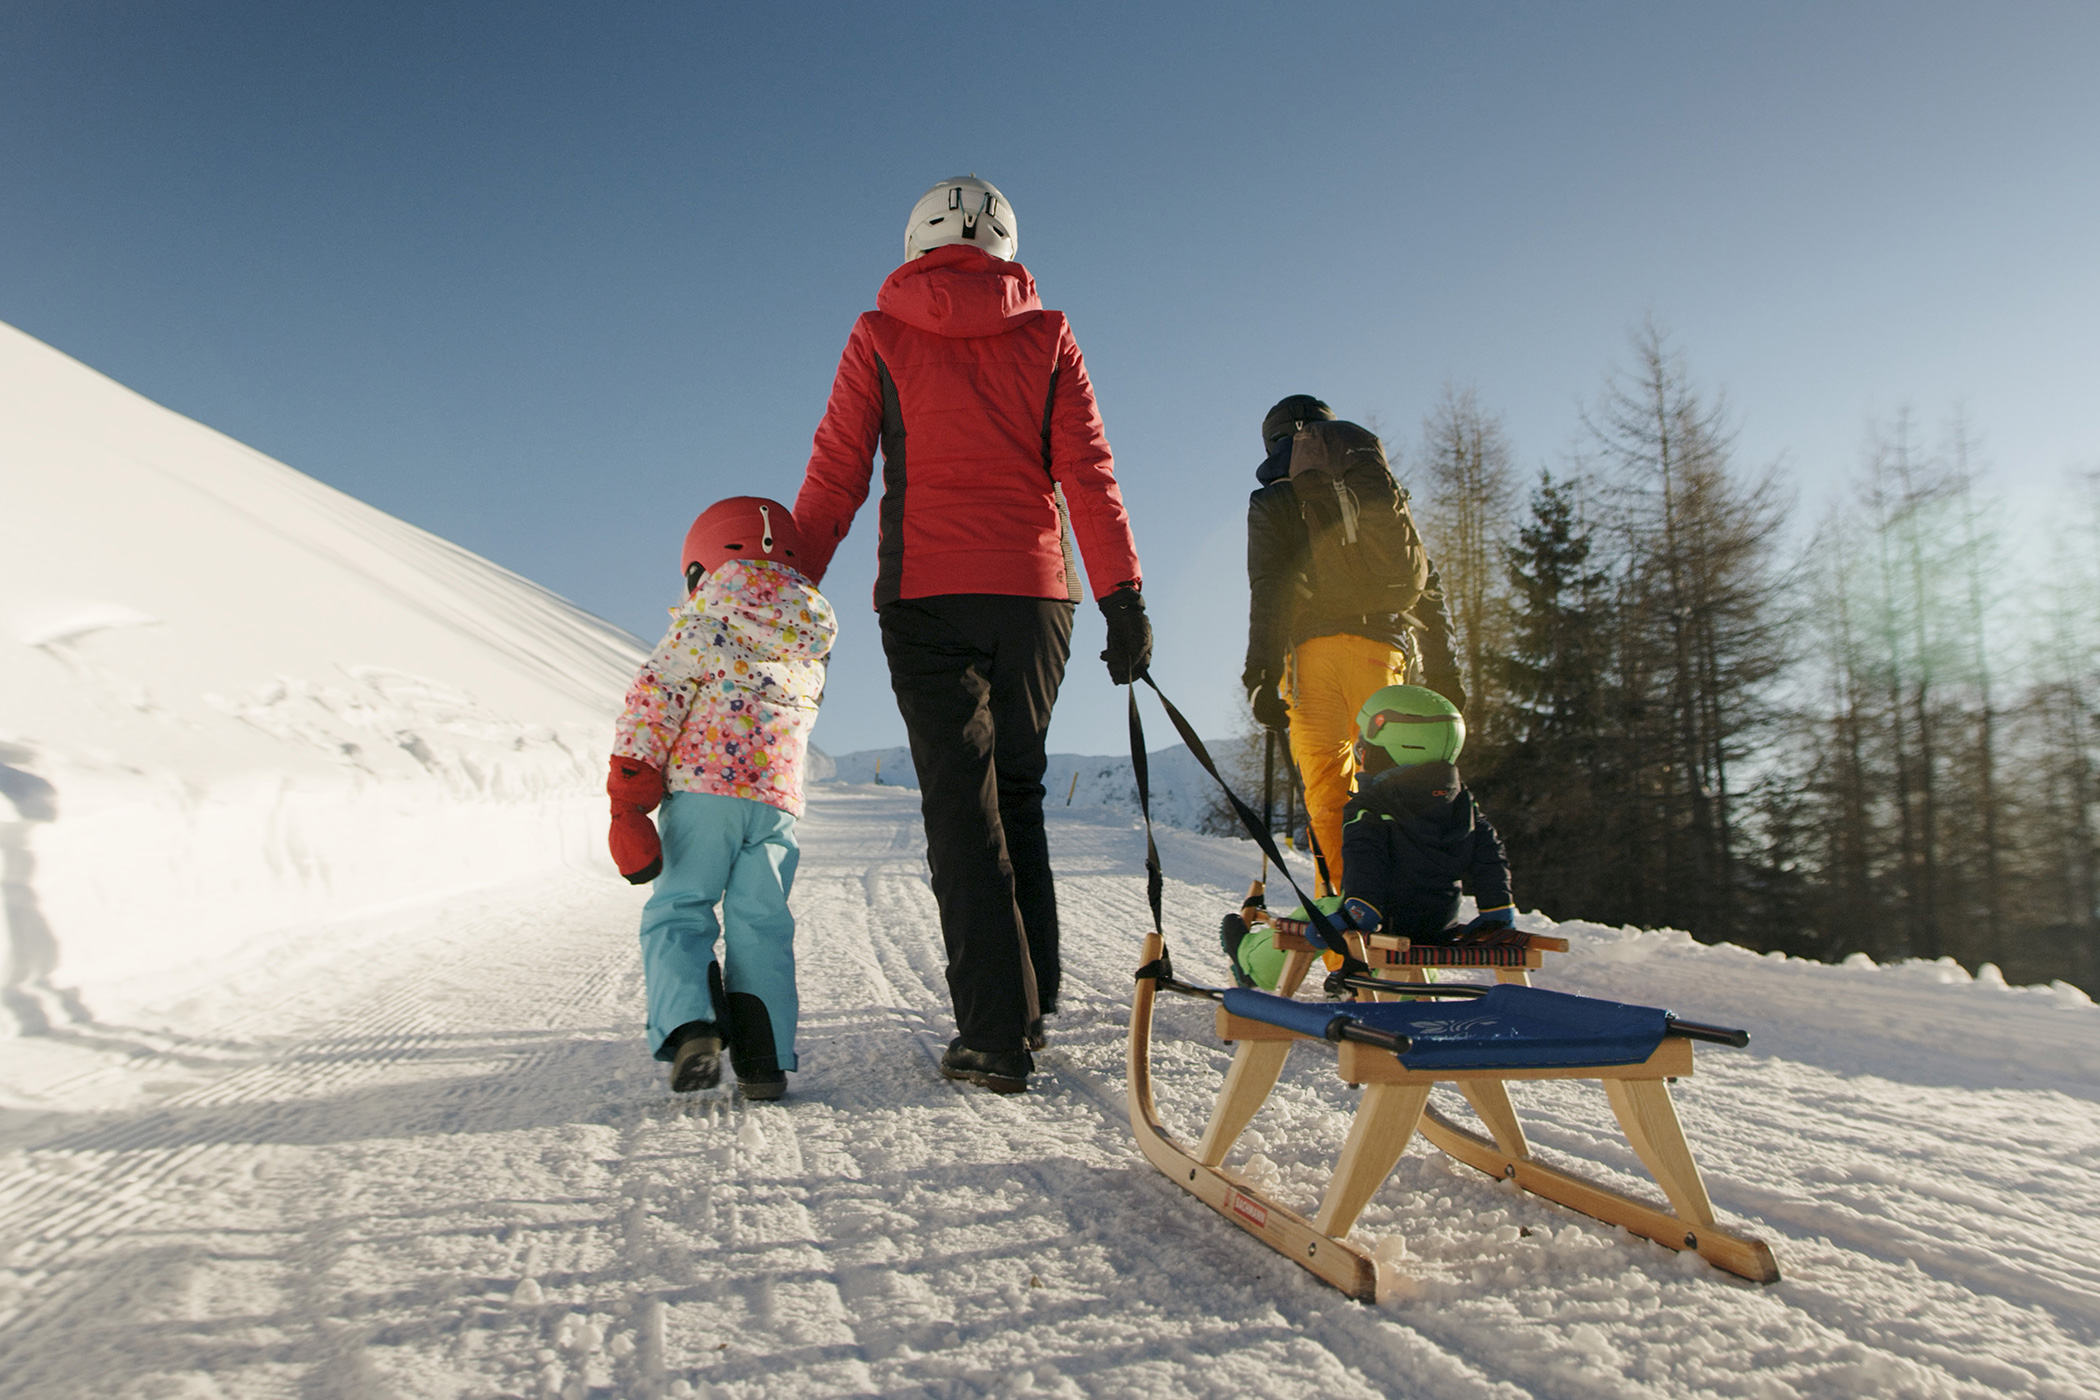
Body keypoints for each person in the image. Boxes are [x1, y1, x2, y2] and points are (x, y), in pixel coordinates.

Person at [792, 175, 1149, 1094]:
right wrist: (1123, 596)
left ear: (916, 244)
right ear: (1006, 246)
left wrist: (787, 587)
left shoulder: (879, 334)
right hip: (1039, 597)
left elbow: (838, 473)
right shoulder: (1048, 334)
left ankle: (995, 1032)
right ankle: (1034, 997)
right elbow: (1088, 474)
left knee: (962, 806)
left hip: (925, 594)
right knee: (1018, 790)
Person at [606, 497, 837, 1099]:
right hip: (775, 806)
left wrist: (628, 790)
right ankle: (764, 1061)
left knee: (680, 909)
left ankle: (693, 1029)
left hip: (703, 793)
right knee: (761, 924)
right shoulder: (810, 640)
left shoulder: (703, 620)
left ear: (697, 568)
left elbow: (655, 700)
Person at [1242, 394, 1463, 896]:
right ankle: (1410, 917)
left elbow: (1269, 589)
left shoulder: (1273, 497)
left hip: (1309, 659)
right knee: (1395, 790)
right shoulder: (1375, 489)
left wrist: (1260, 674)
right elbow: (1427, 586)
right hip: (1383, 652)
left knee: (1328, 793)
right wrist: (1447, 675)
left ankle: (1347, 940)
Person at [1217, 683, 1513, 990]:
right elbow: (1489, 857)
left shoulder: (1369, 806)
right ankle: (1403, 991)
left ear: (1397, 746)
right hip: (1437, 928)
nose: (1361, 751)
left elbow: (1366, 863)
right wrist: (1497, 911)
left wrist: (1361, 909)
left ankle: (1252, 963)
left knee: (1319, 913)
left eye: (1365, 744)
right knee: (1397, 932)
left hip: (1381, 925)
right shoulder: (1462, 801)